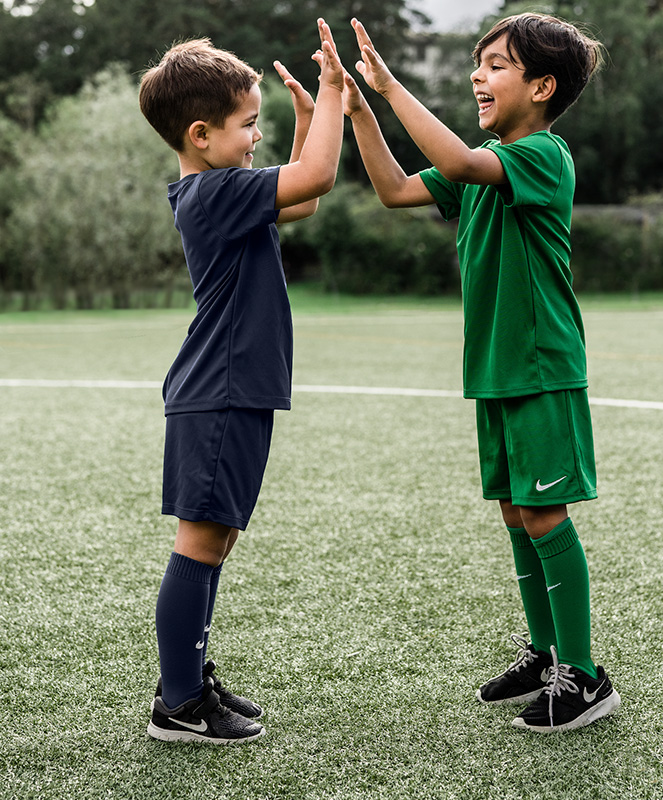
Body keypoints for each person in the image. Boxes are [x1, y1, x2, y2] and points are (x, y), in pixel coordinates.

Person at [343, 13, 620, 732]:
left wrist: (390, 84)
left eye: (496, 65)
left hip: (540, 367)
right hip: (496, 370)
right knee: (514, 513)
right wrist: (362, 111)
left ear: (542, 86)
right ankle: (546, 651)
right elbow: (395, 189)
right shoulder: (483, 166)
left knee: (543, 513)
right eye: (479, 63)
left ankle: (584, 677)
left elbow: (463, 162)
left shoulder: (540, 155)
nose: (478, 75)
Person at [137, 20, 344, 744]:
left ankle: (186, 679)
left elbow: (307, 197)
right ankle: (181, 705)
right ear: (200, 134)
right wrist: (332, 94)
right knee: (200, 541)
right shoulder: (214, 196)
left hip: (233, 390)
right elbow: (317, 176)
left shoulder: (226, 190)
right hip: (219, 391)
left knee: (215, 538)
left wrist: (313, 120)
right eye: (249, 124)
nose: (256, 136)